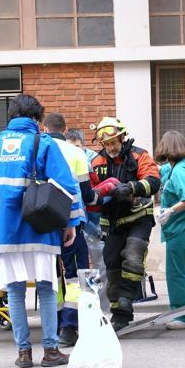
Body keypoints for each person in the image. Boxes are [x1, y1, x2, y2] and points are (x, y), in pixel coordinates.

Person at [0, 94, 81, 368]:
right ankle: (51, 350)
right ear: (35, 118)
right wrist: (71, 223)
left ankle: (24, 352)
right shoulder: (43, 142)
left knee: (15, 292)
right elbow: (67, 185)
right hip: (41, 228)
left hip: (6, 231)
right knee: (47, 288)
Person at [90, 117, 161, 331]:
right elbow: (92, 190)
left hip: (139, 216)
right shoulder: (97, 163)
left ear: (122, 137)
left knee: (133, 254)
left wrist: (131, 187)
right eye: (106, 143)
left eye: (114, 141)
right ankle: (118, 312)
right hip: (113, 220)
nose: (111, 147)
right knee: (111, 263)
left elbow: (154, 182)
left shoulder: (139, 155)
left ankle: (127, 301)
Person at [43, 113, 98, 347]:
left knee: (50, 275)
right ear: (65, 131)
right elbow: (87, 194)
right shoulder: (76, 153)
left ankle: (52, 324)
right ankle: (70, 326)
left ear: (44, 129)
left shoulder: (38, 149)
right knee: (76, 274)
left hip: (42, 223)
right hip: (72, 221)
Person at [155, 131, 185, 330]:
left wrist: (170, 210)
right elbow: (164, 171)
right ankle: (181, 312)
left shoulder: (181, 171)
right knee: (177, 271)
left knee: (177, 273)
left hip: (183, 226)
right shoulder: (183, 165)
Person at [65, 127, 110, 315]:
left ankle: (103, 310)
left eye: (77, 146)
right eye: (71, 147)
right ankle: (88, 311)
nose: (75, 150)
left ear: (83, 145)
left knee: (100, 266)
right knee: (81, 270)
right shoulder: (67, 158)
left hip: (93, 221)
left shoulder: (94, 161)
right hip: (76, 221)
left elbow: (93, 195)